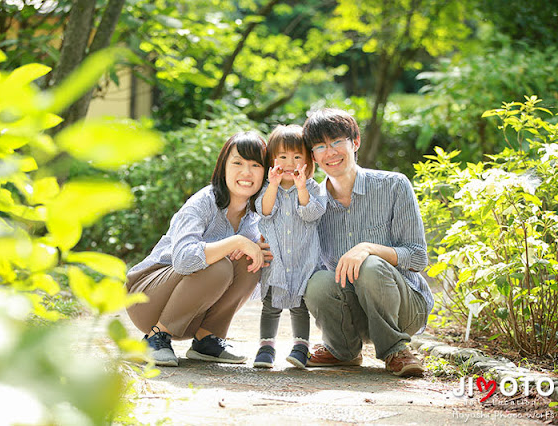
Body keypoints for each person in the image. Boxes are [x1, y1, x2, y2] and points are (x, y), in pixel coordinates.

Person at [301, 108, 434, 377]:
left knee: (369, 264)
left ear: (355, 142)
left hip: (403, 307)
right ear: (313, 156)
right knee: (315, 281)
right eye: (320, 146)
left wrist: (368, 248)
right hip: (352, 314)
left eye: (337, 142)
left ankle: (396, 349)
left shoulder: (394, 185)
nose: (330, 152)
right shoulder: (312, 204)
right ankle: (343, 351)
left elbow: (418, 257)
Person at [125, 131, 272, 367]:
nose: (246, 172)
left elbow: (251, 290)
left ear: (266, 173)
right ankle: (155, 338)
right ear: (223, 167)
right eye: (237, 163)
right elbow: (184, 260)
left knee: (249, 260)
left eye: (256, 165)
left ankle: (207, 340)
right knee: (219, 264)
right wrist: (235, 243)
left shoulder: (256, 219)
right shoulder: (203, 202)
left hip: (194, 314)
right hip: (147, 298)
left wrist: (263, 259)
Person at [252, 125, 326, 369]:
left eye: (297, 157)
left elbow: (312, 213)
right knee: (271, 305)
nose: (289, 163)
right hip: (277, 261)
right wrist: (272, 185)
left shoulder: (313, 187)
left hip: (304, 260)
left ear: (307, 161)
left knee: (300, 306)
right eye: (282, 157)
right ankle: (266, 346)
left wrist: (302, 187)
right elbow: (265, 211)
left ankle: (301, 346)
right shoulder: (266, 189)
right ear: (272, 159)